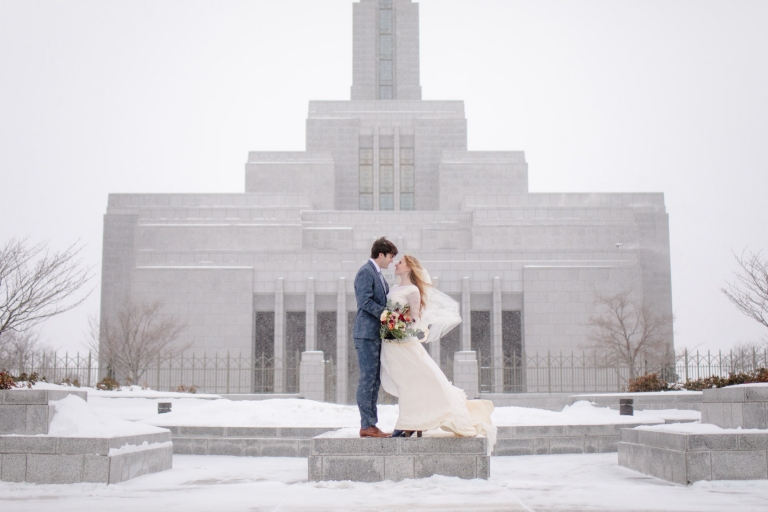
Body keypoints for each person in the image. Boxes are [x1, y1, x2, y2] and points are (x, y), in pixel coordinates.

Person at [380, 254, 496, 449]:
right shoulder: (393, 288)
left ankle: (407, 423)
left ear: (408, 268)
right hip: (389, 341)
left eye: (400, 262)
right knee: (404, 382)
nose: (396, 264)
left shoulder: (413, 290)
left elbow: (415, 318)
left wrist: (399, 324)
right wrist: (388, 322)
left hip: (403, 342)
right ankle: (412, 422)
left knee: (409, 382)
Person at [353, 237, 398, 438]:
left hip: (375, 334)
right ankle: (367, 425)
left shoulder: (377, 273)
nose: (391, 261)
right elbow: (365, 302)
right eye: (390, 257)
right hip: (367, 334)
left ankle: (371, 424)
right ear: (381, 254)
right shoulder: (366, 272)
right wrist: (388, 315)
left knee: (374, 380)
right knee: (367, 379)